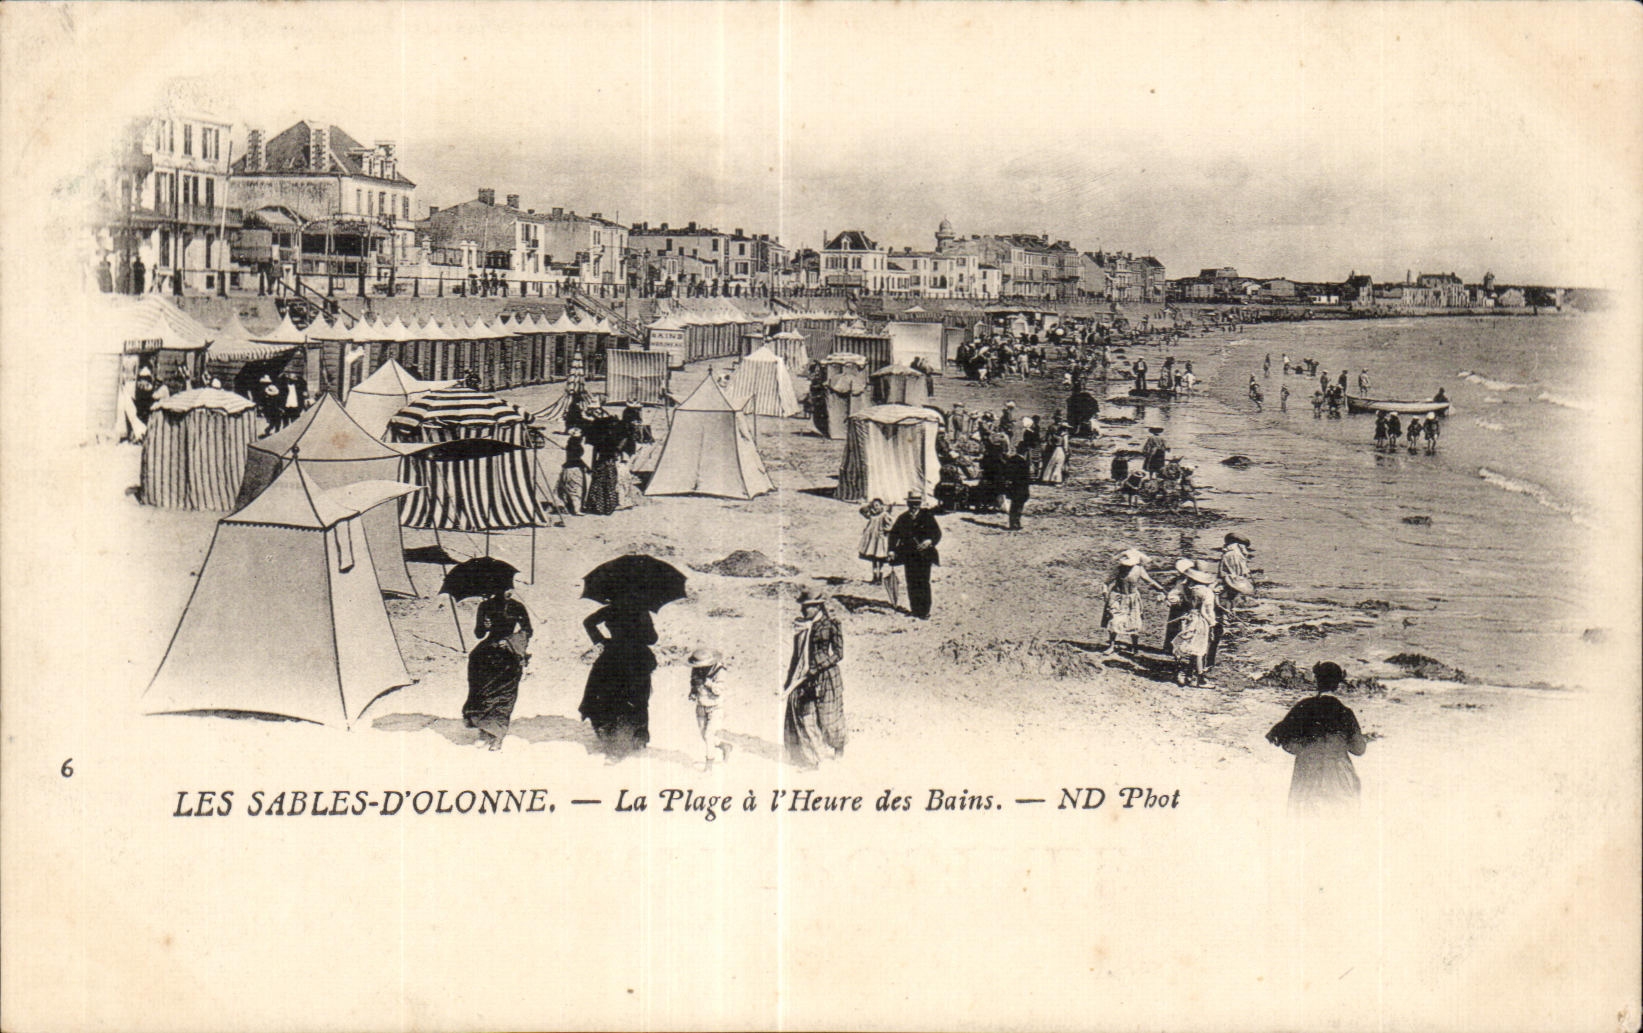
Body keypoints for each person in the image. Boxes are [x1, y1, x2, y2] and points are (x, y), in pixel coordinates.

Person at [1266, 662, 1369, 816]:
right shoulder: (1345, 712)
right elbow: (1359, 749)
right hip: (1338, 777)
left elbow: (1286, 742)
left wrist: (1307, 749)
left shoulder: (1303, 707)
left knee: (1304, 821)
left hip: (1308, 773)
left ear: (1317, 682)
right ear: (1337, 684)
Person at [578, 599, 659, 761]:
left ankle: (609, 736)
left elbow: (588, 622)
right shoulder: (641, 610)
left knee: (605, 696)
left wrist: (602, 641)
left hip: (613, 657)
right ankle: (636, 739)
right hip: (637, 660)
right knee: (638, 699)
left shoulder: (610, 609)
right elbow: (652, 639)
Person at [463, 585, 533, 751]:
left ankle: (497, 735)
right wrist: (484, 626)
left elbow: (528, 630)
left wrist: (510, 641)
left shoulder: (517, 606)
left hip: (508, 653)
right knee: (482, 692)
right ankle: (484, 730)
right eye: (506, 588)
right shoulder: (485, 606)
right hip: (487, 651)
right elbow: (479, 634)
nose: (509, 591)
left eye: (511, 588)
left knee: (504, 695)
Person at [781, 587, 845, 768]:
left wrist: (819, 666)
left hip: (827, 678)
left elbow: (839, 654)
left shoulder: (831, 624)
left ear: (818, 607)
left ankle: (838, 749)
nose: (803, 610)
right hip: (804, 679)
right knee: (806, 717)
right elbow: (796, 656)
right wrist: (789, 683)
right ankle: (814, 759)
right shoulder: (801, 627)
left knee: (829, 719)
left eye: (807, 607)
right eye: (803, 607)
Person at [887, 490, 942, 619]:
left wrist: (929, 541)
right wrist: (891, 550)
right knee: (911, 582)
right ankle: (915, 610)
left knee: (923, 581)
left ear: (920, 503)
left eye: (916, 503)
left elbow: (937, 533)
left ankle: (924, 611)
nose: (914, 506)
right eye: (911, 503)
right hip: (909, 555)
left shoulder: (927, 516)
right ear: (907, 503)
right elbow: (894, 534)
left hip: (924, 555)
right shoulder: (903, 518)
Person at [1102, 549, 1163, 654]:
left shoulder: (1139, 569)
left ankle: (1135, 646)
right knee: (1114, 621)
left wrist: (1161, 590)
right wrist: (1105, 592)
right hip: (1117, 598)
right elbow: (1106, 582)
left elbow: (1149, 581)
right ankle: (1111, 646)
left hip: (1133, 599)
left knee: (1134, 622)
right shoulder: (1118, 569)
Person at [1170, 567, 1218, 687]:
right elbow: (1206, 611)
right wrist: (1212, 624)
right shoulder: (1207, 592)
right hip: (1200, 621)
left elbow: (1174, 598)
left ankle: (1183, 674)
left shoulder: (1186, 588)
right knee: (1199, 649)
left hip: (1188, 618)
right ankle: (1199, 678)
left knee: (1186, 645)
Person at [687, 648, 732, 770]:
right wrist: (693, 693)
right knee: (705, 736)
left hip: (715, 707)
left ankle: (709, 765)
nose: (701, 668)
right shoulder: (696, 669)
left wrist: (708, 683)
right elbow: (694, 683)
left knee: (708, 736)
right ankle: (724, 746)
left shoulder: (720, 671)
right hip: (701, 706)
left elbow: (718, 690)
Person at [857, 498, 894, 582]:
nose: (875, 507)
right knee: (873, 557)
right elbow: (862, 511)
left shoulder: (884, 515)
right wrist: (868, 506)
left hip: (880, 539)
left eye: (877, 505)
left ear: (881, 506)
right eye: (873, 506)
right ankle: (874, 576)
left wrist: (885, 530)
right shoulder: (872, 515)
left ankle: (880, 576)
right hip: (872, 540)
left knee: (880, 558)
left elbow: (890, 525)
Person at [557, 426, 588, 514]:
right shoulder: (576, 446)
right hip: (574, 469)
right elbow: (576, 459)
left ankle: (567, 507)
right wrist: (586, 467)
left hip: (567, 469)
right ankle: (576, 510)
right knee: (576, 489)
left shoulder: (570, 445)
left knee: (566, 488)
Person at [1002, 441, 1033, 531]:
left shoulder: (1013, 459)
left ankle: (1014, 522)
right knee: (1018, 505)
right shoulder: (1022, 462)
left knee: (1015, 505)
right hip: (1021, 486)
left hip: (1015, 486)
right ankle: (1015, 523)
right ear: (1025, 451)